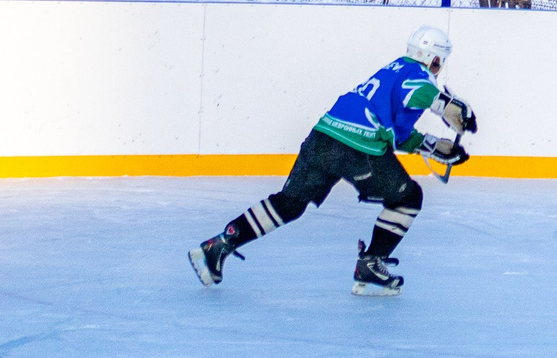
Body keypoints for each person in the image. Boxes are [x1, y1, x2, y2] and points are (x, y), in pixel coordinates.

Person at [189, 25, 474, 297]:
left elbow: (396, 132)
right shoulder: (418, 73)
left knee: (289, 203)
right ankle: (371, 263)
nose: (439, 67)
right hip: (357, 147)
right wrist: (451, 106)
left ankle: (220, 244)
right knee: (408, 198)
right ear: (431, 57)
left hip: (323, 135)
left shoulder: (393, 68)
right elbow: (420, 92)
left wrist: (432, 145)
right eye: (439, 61)